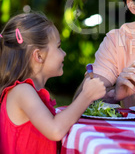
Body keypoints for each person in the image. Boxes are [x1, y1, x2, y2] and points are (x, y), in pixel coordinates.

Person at [0, 12, 106, 153]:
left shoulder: (32, 92)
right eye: (58, 46)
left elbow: (63, 120)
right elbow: (55, 130)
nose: (64, 53)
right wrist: (86, 95)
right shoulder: (22, 92)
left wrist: (98, 92)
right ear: (39, 55)